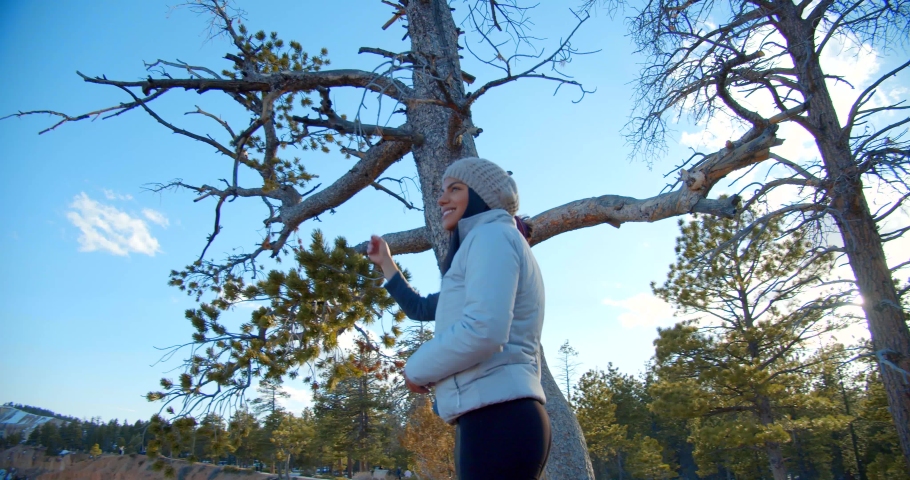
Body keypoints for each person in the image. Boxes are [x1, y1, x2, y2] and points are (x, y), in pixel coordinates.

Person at [367, 157, 551, 480]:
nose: (442, 200)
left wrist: (416, 368)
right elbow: (422, 308)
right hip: (492, 416)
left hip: (499, 418)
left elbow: (484, 329)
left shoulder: (491, 236)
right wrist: (386, 264)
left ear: (481, 195)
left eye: (454, 189)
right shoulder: (487, 243)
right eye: (442, 191)